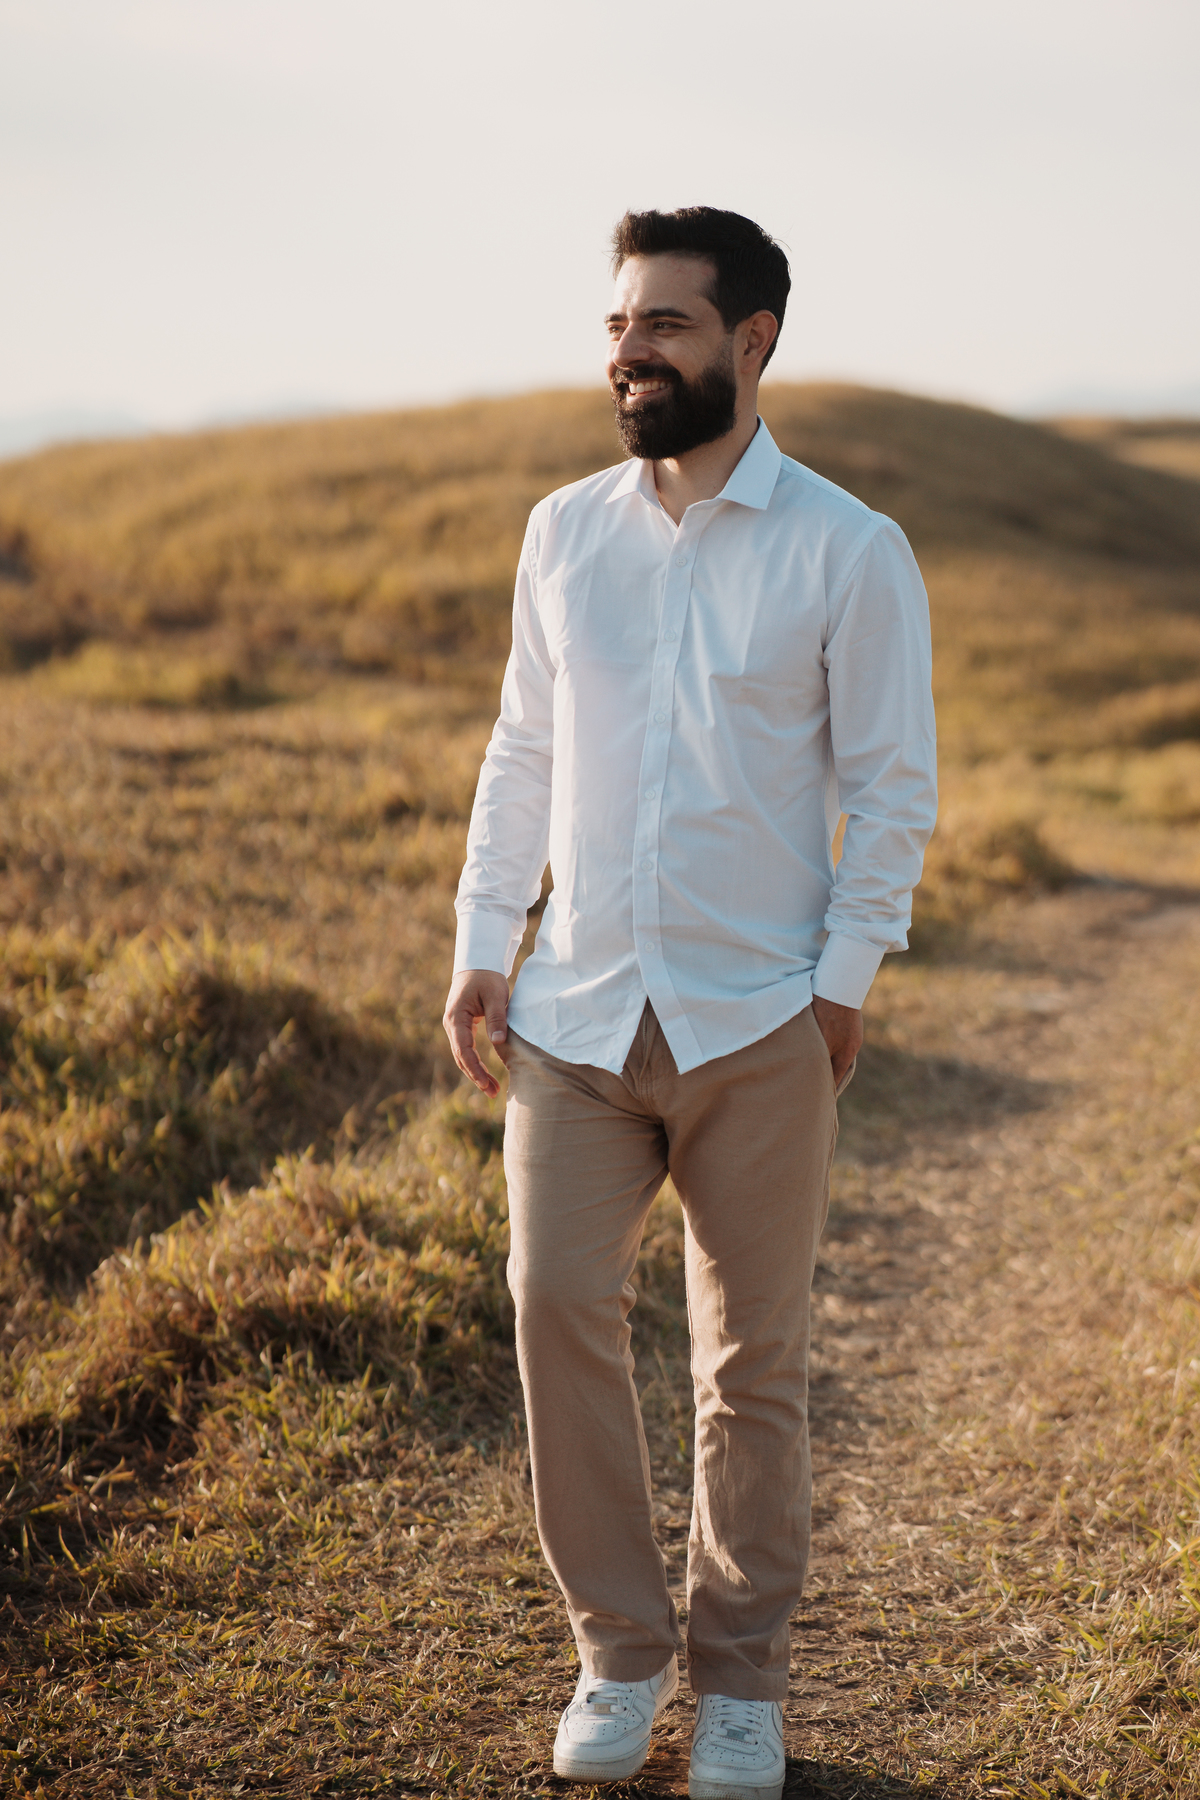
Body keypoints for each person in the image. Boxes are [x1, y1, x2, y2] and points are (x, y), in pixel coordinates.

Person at [443, 206, 936, 1800]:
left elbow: (893, 789)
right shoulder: (563, 533)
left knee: (752, 1365)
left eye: (663, 322)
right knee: (553, 1306)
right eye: (618, 325)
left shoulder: (848, 549)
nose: (629, 352)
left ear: (752, 340)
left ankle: (740, 1683)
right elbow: (524, 747)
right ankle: (618, 1651)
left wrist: (840, 988)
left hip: (756, 1020)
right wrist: (485, 940)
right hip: (576, 1017)